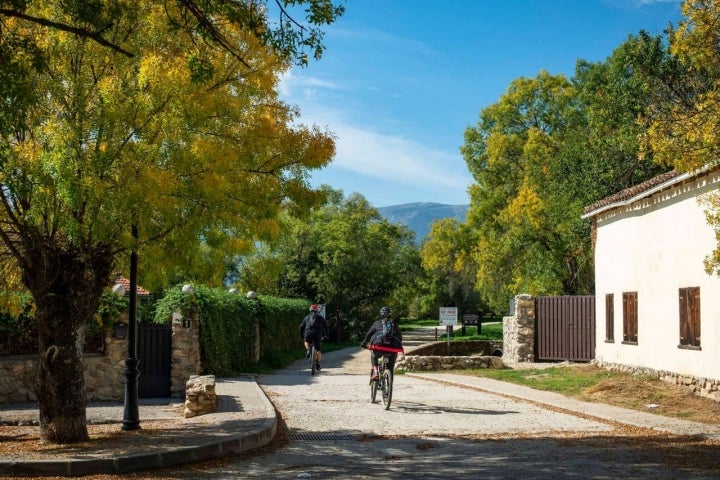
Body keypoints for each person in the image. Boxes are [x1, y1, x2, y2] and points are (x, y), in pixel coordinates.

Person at [361, 306, 404, 381]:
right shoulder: (394, 323)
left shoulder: (377, 323)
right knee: (390, 368)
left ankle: (375, 371)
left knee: (374, 357)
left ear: (381, 314)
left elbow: (369, 334)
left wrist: (364, 343)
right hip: (392, 348)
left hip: (378, 346)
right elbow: (399, 337)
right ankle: (389, 384)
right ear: (390, 314)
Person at [299, 304, 329, 371]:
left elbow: (301, 327)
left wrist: (301, 335)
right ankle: (318, 364)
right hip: (317, 334)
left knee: (306, 341)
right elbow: (326, 326)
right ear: (317, 310)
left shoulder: (307, 317)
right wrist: (326, 335)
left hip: (308, 333)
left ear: (310, 310)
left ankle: (307, 349)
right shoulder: (320, 317)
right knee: (318, 350)